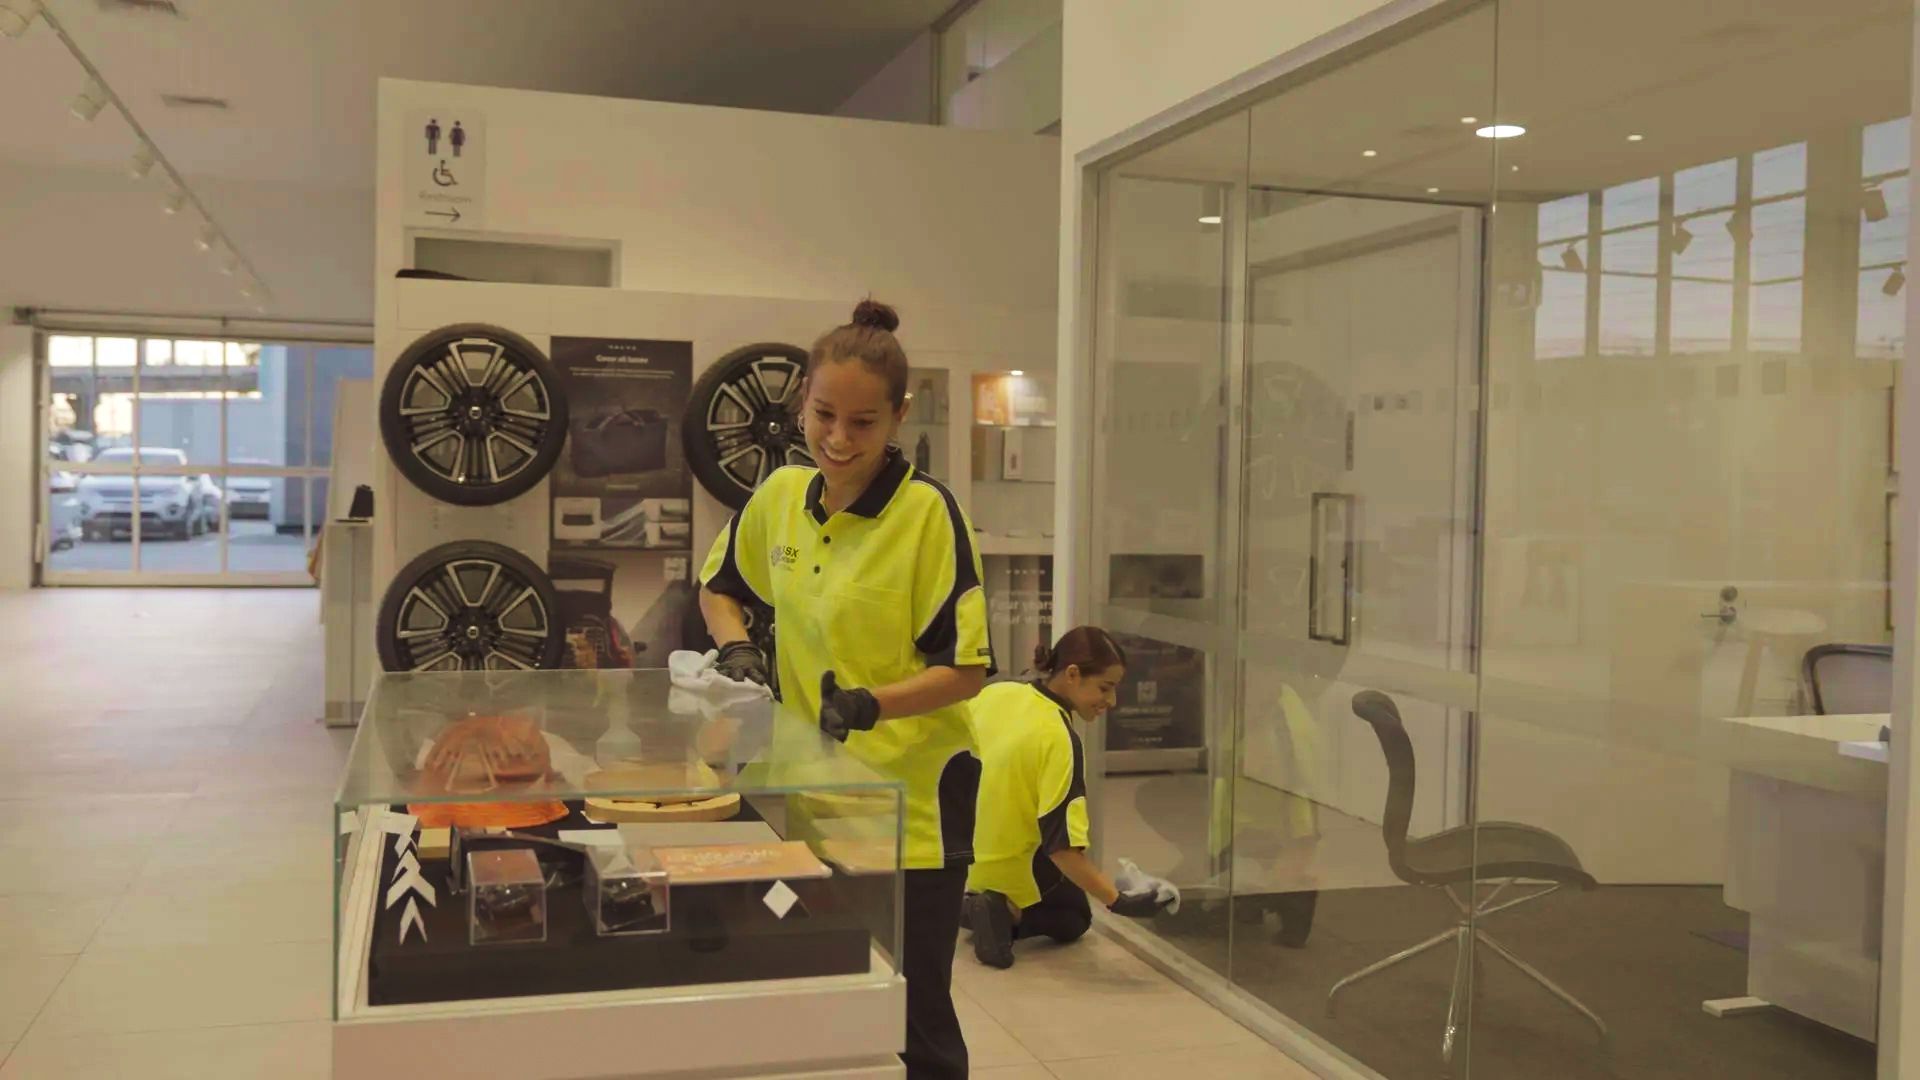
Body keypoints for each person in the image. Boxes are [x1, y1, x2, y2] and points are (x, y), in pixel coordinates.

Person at [698, 298, 991, 1080]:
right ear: (802, 401)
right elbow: (719, 588)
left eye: (863, 423)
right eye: (823, 414)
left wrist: (870, 705)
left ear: (899, 416)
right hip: (806, 794)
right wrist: (737, 648)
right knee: (815, 989)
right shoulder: (779, 498)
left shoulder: (927, 516)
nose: (837, 438)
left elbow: (966, 669)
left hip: (912, 806)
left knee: (913, 1008)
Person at [962, 626, 1177, 970]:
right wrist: (1118, 901)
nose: (1112, 701)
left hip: (960, 858)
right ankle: (1006, 914)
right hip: (1010, 868)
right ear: (1073, 674)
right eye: (1105, 688)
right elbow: (1061, 848)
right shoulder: (1059, 738)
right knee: (1075, 916)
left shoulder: (997, 692)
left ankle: (966, 905)